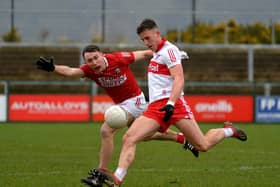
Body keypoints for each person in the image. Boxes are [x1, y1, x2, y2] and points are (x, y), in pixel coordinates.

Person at [94, 18, 248, 187]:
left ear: (157, 34)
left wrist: (171, 103)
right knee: (129, 138)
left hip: (175, 106)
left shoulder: (169, 50)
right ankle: (117, 178)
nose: (146, 43)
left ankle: (228, 131)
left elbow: (179, 79)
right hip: (155, 108)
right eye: (143, 40)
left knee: (203, 145)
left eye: (148, 38)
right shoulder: (157, 54)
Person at [35, 44, 198, 186]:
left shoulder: (118, 59)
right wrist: (53, 68)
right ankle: (181, 138)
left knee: (106, 131)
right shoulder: (90, 70)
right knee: (145, 136)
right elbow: (71, 72)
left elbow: (145, 53)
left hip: (136, 101)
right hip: (123, 105)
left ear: (102, 55)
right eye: (89, 60)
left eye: (95, 58)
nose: (93, 63)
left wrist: (174, 55)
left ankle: (100, 174)